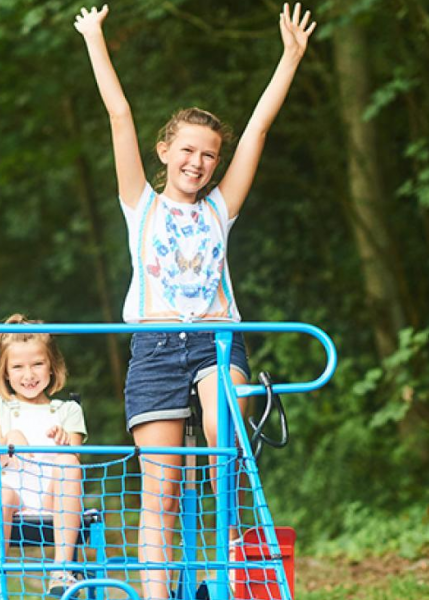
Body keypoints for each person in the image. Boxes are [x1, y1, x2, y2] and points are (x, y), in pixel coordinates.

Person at [74, 3, 316, 599]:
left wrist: (289, 58)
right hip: (155, 346)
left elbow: (257, 129)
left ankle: (228, 558)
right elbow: (119, 114)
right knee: (159, 491)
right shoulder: (141, 204)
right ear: (164, 151)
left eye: (208, 154)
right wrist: (94, 37)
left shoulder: (220, 207)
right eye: (186, 150)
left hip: (215, 340)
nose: (197, 162)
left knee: (220, 419)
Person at [0, 315, 87, 599]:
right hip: (14, 486)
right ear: (5, 372)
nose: (29, 375)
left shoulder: (67, 410)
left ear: (52, 367)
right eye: (18, 367)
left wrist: (63, 442)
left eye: (37, 364)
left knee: (69, 463)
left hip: (52, 493)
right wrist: (13, 440)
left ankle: (61, 569)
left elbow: (72, 460)